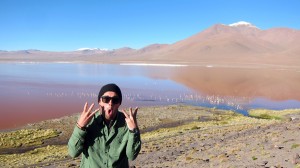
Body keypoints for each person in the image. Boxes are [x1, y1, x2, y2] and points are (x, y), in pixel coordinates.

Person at [68, 83, 141, 168]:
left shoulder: (127, 123)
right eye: (106, 99)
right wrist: (80, 127)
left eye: (115, 100)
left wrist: (134, 131)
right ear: (99, 101)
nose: (110, 103)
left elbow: (132, 156)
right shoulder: (88, 122)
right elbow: (73, 153)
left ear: (119, 103)